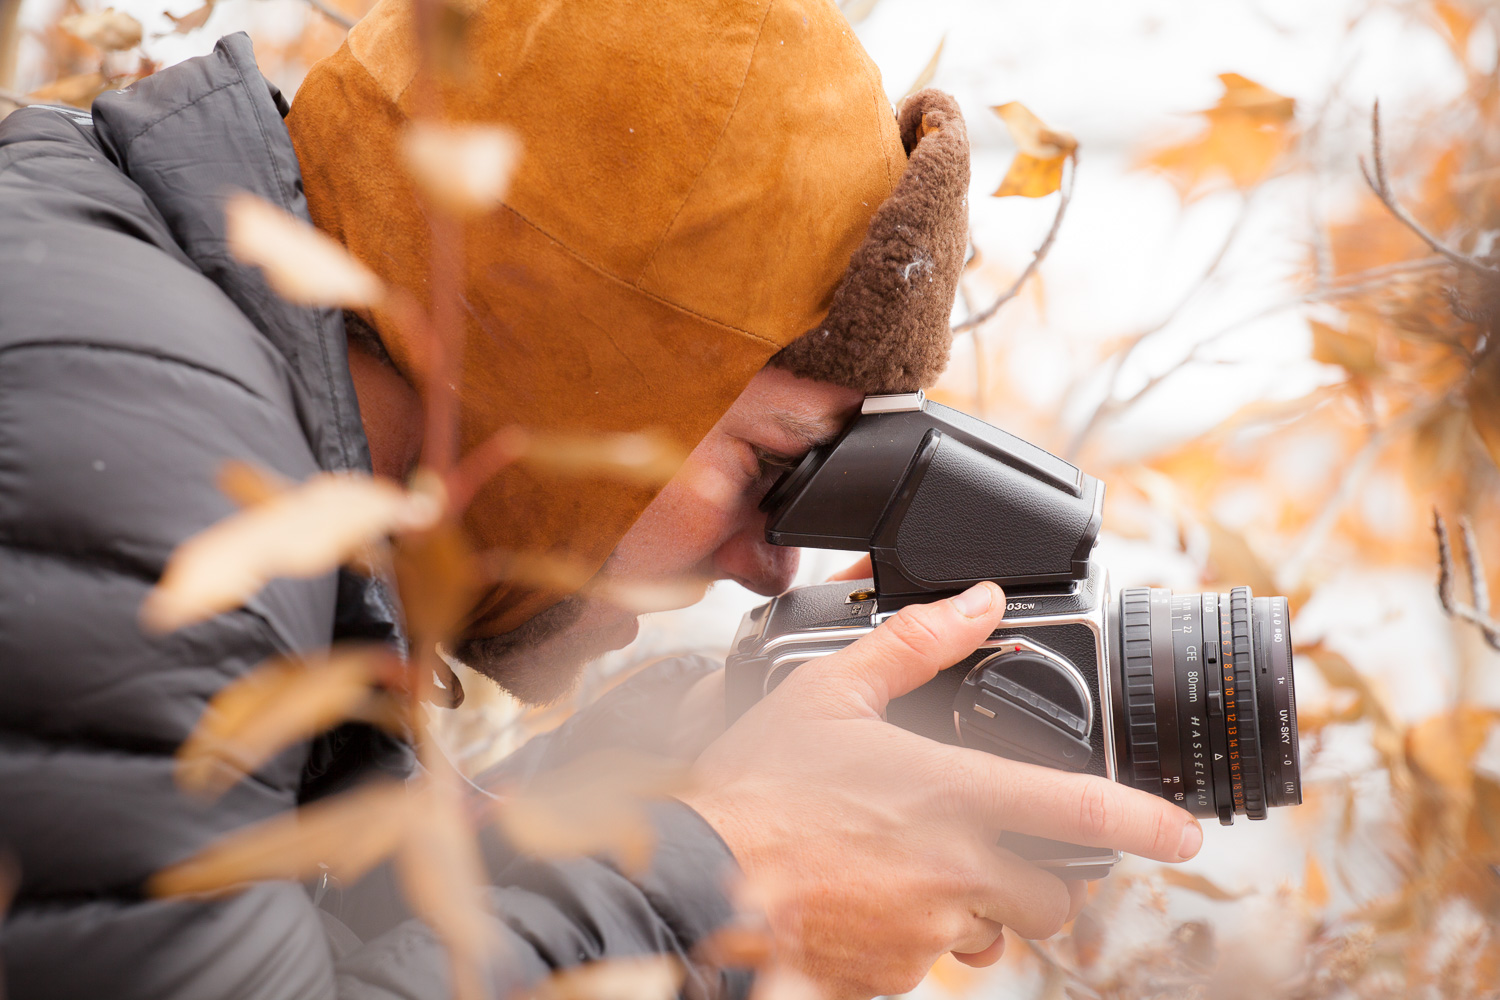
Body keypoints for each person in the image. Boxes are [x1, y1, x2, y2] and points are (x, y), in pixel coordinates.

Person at [0, 1, 1203, 998]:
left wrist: (639, 795)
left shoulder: (201, 402)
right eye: (771, 471)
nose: (772, 562)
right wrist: (738, 879)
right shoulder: (138, 448)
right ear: (560, 352)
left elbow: (285, 933)